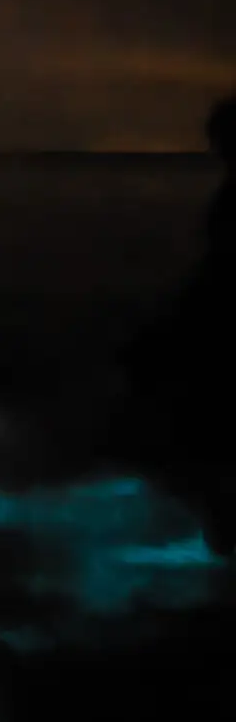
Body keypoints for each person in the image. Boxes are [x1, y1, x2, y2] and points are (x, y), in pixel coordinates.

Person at [120, 94, 236, 553]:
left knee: (198, 424)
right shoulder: (231, 196)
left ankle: (218, 529)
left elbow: (221, 267)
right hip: (210, 319)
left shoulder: (232, 199)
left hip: (215, 324)